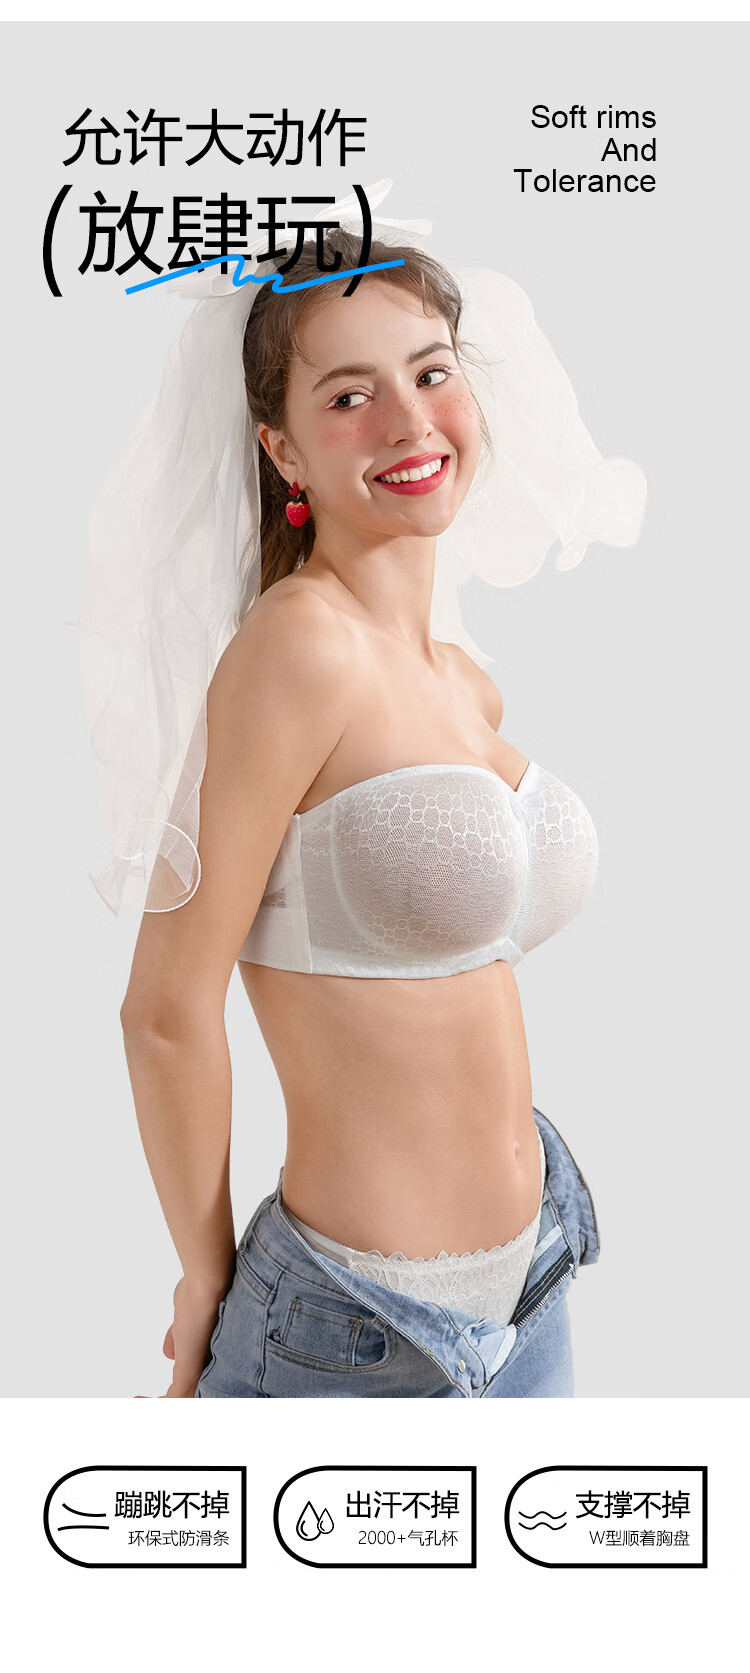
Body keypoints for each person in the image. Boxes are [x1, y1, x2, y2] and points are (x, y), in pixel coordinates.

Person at [79, 184, 644, 1398]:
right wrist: (201, 1276)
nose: (408, 418)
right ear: (281, 447)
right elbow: (164, 1008)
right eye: (348, 395)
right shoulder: (298, 647)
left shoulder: (465, 682)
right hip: (355, 1325)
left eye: (431, 371)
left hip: (534, 1284)